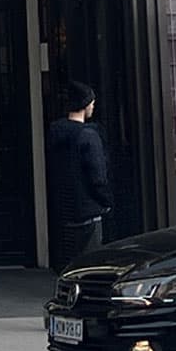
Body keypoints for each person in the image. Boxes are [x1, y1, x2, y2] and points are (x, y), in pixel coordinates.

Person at [45, 81, 112, 269]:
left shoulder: (54, 132)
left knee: (68, 263)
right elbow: (98, 177)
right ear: (85, 104)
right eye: (91, 102)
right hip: (88, 211)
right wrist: (106, 201)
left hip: (63, 210)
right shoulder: (88, 136)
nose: (93, 106)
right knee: (89, 264)